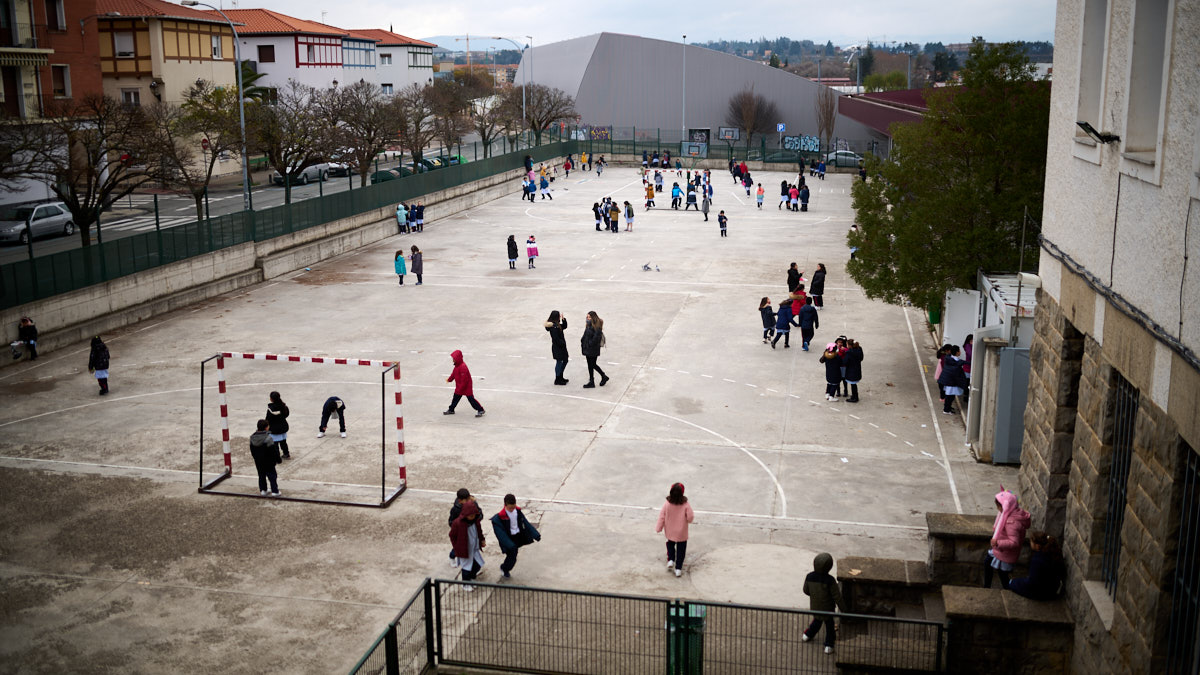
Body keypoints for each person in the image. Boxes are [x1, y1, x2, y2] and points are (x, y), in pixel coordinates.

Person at [984, 489, 1031, 589]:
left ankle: (1008, 590)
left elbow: (1014, 542)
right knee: (987, 563)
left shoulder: (1012, 522)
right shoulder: (1010, 512)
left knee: (1003, 575)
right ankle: (987, 586)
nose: (998, 509)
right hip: (1000, 551)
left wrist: (998, 543)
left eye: (999, 506)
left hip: (1004, 553)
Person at [801, 552, 845, 654]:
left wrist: (815, 595)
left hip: (815, 606)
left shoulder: (809, 576)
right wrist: (844, 610)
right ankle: (829, 645)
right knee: (830, 626)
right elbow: (837, 597)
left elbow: (805, 590)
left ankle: (807, 635)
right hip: (828, 609)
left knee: (817, 621)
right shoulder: (830, 580)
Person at [490, 493, 541, 579]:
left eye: (513, 507)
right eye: (510, 508)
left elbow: (525, 523)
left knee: (513, 555)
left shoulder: (517, 511)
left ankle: (505, 567)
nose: (512, 509)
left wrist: (535, 534)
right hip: (509, 539)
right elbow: (501, 534)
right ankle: (504, 568)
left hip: (517, 536)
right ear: (505, 505)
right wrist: (510, 545)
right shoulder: (498, 518)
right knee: (512, 556)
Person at [1005, 531, 1065, 600]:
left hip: (1042, 593)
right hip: (1052, 588)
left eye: (1031, 542)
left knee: (1012, 583)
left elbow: (1031, 583)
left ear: (1037, 546)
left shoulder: (1037, 560)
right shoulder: (1053, 553)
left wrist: (1014, 582)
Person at [655, 482, 694, 577]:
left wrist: (658, 528)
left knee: (670, 544)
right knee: (681, 549)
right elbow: (690, 517)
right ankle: (678, 569)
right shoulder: (685, 504)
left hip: (670, 530)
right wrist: (688, 520)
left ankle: (671, 560)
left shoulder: (667, 504)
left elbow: (662, 516)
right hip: (681, 532)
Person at [449, 499, 486, 589]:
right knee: (466, 567)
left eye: (473, 515)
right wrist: (457, 547)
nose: (472, 517)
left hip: (474, 548)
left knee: (478, 564)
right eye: (470, 516)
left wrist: (482, 540)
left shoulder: (476, 521)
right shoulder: (457, 523)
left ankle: (471, 578)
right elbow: (452, 535)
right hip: (464, 549)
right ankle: (465, 584)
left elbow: (479, 531)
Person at [444, 350, 485, 417]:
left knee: (471, 399)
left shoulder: (463, 367)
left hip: (466, 387)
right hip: (460, 387)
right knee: (455, 398)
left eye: (454, 359)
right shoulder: (457, 366)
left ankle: (480, 409)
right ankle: (451, 409)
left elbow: (465, 381)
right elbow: (453, 374)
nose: (453, 360)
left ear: (457, 359)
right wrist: (449, 379)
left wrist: (460, 389)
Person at [249, 419, 281, 497]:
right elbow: (273, 451)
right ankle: (275, 491)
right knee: (272, 476)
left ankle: (263, 490)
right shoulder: (268, 438)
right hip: (268, 461)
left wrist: (256, 458)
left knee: (261, 475)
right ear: (266, 428)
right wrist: (278, 459)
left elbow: (252, 450)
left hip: (258, 461)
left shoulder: (252, 438)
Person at [580, 310, 608, 388]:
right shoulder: (588, 325)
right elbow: (585, 335)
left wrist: (589, 344)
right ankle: (591, 381)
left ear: (593, 317)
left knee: (592, 364)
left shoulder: (597, 326)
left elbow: (596, 339)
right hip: (587, 348)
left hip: (593, 349)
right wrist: (582, 341)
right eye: (587, 317)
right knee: (590, 364)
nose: (588, 318)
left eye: (589, 317)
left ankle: (603, 376)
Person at [938, 345, 969, 415]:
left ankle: (947, 408)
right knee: (950, 397)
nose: (960, 352)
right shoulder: (956, 363)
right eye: (959, 351)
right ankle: (946, 409)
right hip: (951, 382)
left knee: (949, 396)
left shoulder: (948, 358)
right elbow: (963, 364)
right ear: (957, 352)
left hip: (947, 381)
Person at [447, 488, 472, 566]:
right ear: (460, 500)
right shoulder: (455, 509)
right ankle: (452, 557)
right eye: (466, 500)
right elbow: (451, 521)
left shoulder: (471, 504)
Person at [545, 310, 569, 385]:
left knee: (565, 360)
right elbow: (556, 339)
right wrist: (562, 343)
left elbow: (564, 326)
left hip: (561, 347)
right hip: (558, 348)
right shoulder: (554, 327)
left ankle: (560, 376)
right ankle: (558, 378)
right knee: (559, 362)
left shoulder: (557, 325)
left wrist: (563, 319)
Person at [267, 391, 291, 458]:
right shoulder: (284, 406)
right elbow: (287, 414)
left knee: (275, 444)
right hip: (283, 427)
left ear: (271, 399)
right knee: (283, 442)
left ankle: (277, 457)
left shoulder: (271, 409)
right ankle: (286, 453)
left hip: (274, 429)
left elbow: (268, 419)